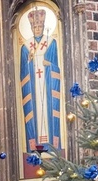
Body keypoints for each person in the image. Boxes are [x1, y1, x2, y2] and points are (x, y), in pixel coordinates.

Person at [19, 6, 62, 153]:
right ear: (31, 28)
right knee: (35, 113)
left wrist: (49, 64)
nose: (37, 28)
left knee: (48, 111)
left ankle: (53, 145)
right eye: (34, 26)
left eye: (39, 26)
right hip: (33, 88)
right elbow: (23, 72)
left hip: (48, 86)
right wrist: (29, 61)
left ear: (44, 26)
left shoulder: (51, 42)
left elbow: (57, 67)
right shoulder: (25, 47)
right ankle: (34, 146)